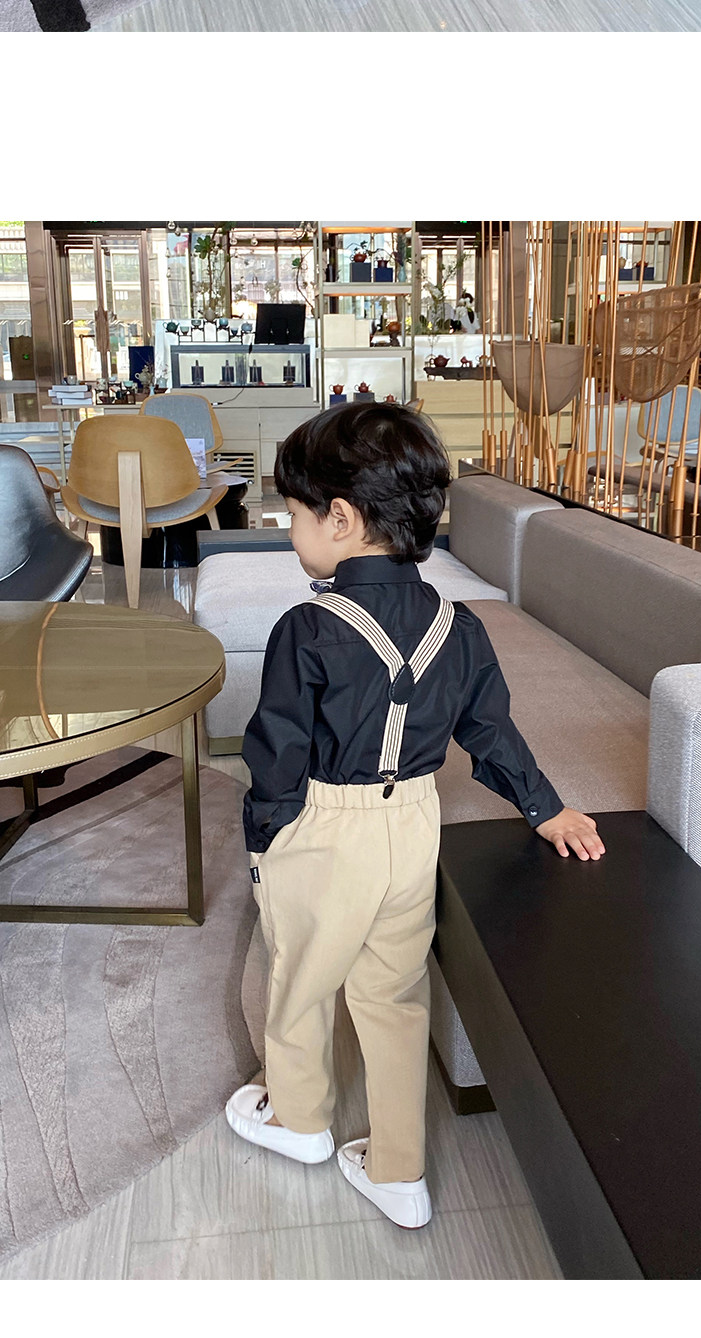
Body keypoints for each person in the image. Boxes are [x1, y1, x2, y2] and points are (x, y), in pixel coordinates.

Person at [225, 402, 605, 1230]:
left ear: (340, 518)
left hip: (327, 831)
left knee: (300, 979)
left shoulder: (307, 629)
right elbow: (490, 732)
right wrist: (544, 806)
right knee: (395, 996)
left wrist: (264, 838)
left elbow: (277, 753)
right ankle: (399, 1171)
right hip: (413, 829)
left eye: (294, 515)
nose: (292, 532)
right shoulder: (459, 627)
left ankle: (299, 1120)